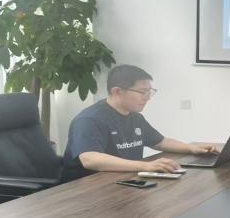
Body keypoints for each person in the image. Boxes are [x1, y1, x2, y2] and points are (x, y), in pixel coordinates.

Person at [61, 65, 217, 182]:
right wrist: (145, 166)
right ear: (117, 91)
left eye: (150, 92)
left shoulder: (134, 117)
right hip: (86, 189)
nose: (148, 97)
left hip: (123, 182)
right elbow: (90, 159)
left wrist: (191, 148)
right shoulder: (90, 120)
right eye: (143, 92)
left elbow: (160, 142)